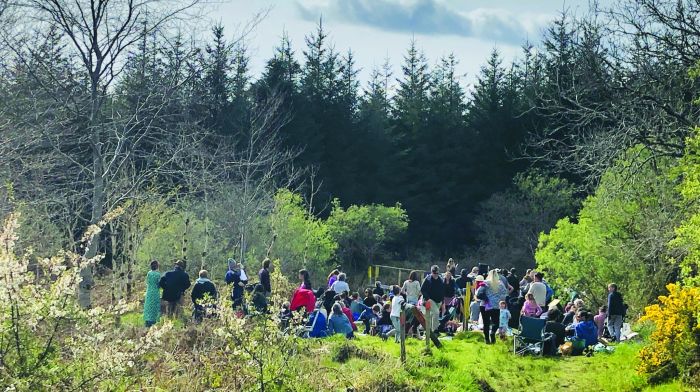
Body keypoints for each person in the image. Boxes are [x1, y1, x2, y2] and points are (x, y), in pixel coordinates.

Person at [478, 269, 508, 344]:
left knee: (486, 323)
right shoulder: (500, 284)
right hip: (495, 306)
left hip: (485, 305)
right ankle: (493, 332)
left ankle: (487, 339)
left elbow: (478, 293)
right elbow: (504, 294)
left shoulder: (485, 283)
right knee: (496, 322)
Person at [421, 265, 446, 335]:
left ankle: (429, 332)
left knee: (432, 316)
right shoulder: (428, 279)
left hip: (438, 301)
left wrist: (442, 301)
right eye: (434, 273)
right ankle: (435, 330)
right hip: (430, 300)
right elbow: (422, 290)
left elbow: (442, 291)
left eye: (437, 273)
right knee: (436, 312)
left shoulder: (441, 280)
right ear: (432, 272)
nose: (435, 275)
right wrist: (427, 298)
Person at [143, 260, 161, 327]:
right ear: (157, 266)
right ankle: (154, 320)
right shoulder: (158, 274)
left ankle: (147, 320)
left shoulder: (149, 273)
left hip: (149, 291)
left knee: (148, 305)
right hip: (155, 291)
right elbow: (159, 284)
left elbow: (147, 282)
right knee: (155, 306)